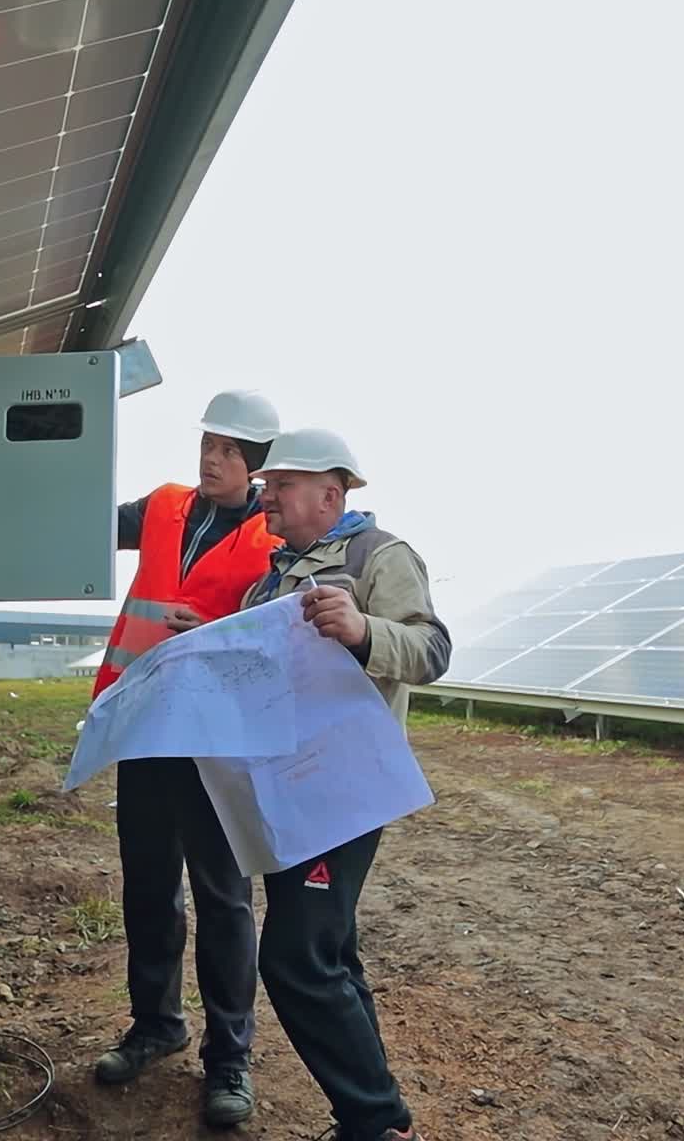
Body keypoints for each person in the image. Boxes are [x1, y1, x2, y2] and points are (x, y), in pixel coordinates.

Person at [243, 427, 451, 1141]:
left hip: (347, 788)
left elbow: (431, 650)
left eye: (280, 486)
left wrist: (363, 631)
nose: (264, 497)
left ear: (330, 494)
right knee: (328, 951)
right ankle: (374, 1119)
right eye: (267, 486)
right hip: (286, 787)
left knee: (296, 957)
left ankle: (377, 1121)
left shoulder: (378, 556)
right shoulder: (267, 579)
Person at [92, 390, 282, 1127]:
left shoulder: (277, 538)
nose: (212, 458)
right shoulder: (166, 506)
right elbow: (87, 521)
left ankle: (229, 1057)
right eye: (208, 442)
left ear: (257, 464)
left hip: (217, 738)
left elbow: (280, 632)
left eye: (230, 449)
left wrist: (220, 623)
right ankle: (155, 1025)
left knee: (224, 898)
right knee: (146, 883)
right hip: (146, 725)